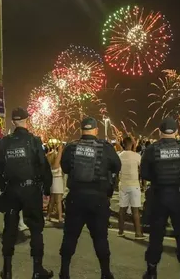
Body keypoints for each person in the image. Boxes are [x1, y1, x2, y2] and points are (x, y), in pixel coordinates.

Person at [0, 107, 53, 279]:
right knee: (36, 230)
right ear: (27, 119)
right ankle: (37, 269)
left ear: (13, 122)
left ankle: (7, 270)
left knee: (10, 230)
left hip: (11, 190)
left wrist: (2, 189)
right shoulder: (34, 141)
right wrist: (46, 190)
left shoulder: (4, 142)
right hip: (31, 190)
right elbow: (43, 167)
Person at [59, 117, 121, 279]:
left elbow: (65, 168)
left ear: (81, 130)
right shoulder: (105, 147)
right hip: (98, 200)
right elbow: (117, 165)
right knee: (100, 238)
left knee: (70, 236)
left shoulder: (71, 147)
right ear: (95, 130)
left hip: (76, 198)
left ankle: (64, 272)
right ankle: (105, 273)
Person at [141, 117, 180, 279]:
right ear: (176, 132)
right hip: (179, 196)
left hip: (159, 196)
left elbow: (144, 173)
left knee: (156, 236)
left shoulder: (152, 149)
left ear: (159, 132)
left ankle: (152, 271)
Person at [117, 136, 144, 239]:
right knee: (135, 210)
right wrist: (143, 183)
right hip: (134, 185)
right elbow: (141, 170)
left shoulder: (119, 155)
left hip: (123, 184)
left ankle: (120, 231)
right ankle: (138, 233)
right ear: (132, 144)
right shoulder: (137, 156)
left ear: (123, 144)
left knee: (122, 209)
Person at [46, 144, 65, 223]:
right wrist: (60, 150)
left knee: (52, 200)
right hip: (58, 182)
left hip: (53, 182)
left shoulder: (51, 166)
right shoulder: (56, 165)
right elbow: (59, 157)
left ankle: (48, 215)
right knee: (58, 201)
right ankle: (60, 217)